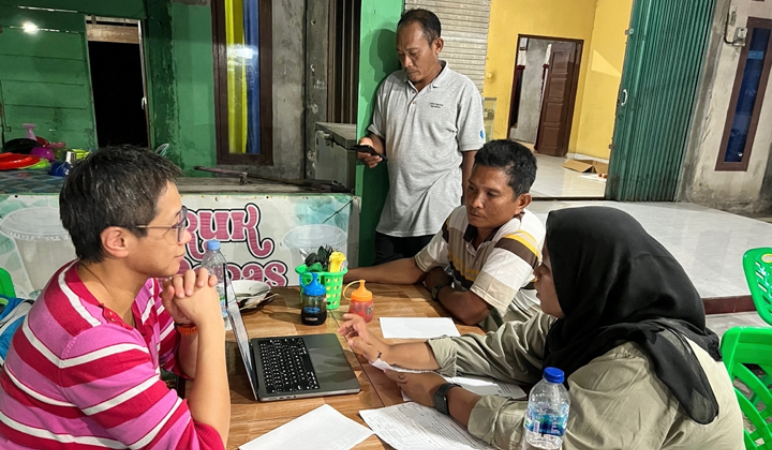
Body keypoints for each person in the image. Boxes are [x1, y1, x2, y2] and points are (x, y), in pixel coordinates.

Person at [339, 206, 744, 449]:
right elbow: (495, 350)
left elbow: (548, 442)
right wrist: (386, 352)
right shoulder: (580, 321)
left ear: (589, 279)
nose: (535, 276)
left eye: (548, 269)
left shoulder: (642, 364)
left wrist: (444, 395)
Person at [0, 147, 230, 449]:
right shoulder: (90, 339)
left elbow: (184, 366)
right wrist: (212, 322)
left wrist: (189, 326)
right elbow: (205, 447)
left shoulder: (118, 282)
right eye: (175, 225)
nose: (185, 235)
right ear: (118, 241)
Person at [345, 140, 544, 331]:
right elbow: (416, 267)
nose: (475, 202)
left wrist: (439, 287)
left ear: (522, 202)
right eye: (472, 188)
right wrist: (343, 275)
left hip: (509, 348)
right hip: (468, 329)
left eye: (491, 195)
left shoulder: (521, 237)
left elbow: (470, 310)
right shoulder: (460, 217)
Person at [358, 8, 486, 264]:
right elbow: (379, 135)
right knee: (383, 295)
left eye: (413, 54)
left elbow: (472, 153)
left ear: (437, 45)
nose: (406, 62)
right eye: (400, 54)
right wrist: (368, 145)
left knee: (428, 299)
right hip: (393, 219)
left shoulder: (462, 90)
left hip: (438, 222)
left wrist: (467, 209)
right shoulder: (390, 86)